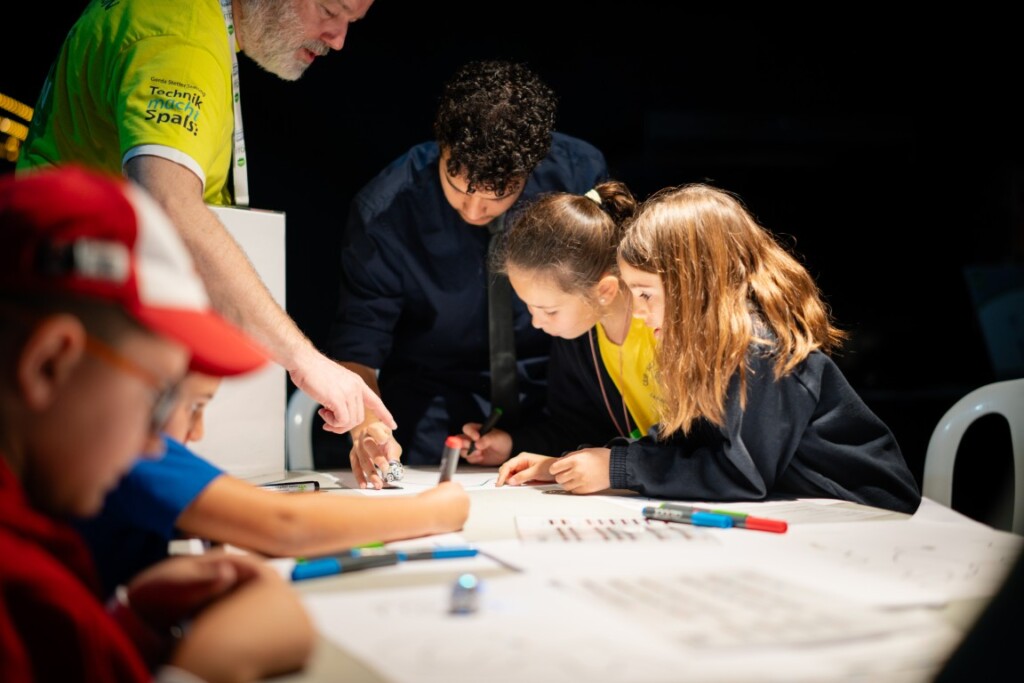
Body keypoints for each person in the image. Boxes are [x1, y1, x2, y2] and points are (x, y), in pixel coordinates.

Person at [16, 0, 393, 436]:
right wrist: (304, 359)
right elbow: (168, 204)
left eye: (351, 21)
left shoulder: (176, 16)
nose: (339, 39)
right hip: (77, 352)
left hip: (61, 330)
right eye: (330, 10)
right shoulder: (184, 39)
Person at [0, 165, 313, 682]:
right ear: (49, 364)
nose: (153, 446)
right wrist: (210, 666)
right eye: (159, 395)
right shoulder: (19, 588)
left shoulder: (40, 555)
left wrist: (124, 625)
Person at [497, 182, 922, 514]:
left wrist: (618, 469)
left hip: (864, 518)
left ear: (694, 284)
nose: (640, 312)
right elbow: (688, 439)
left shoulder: (760, 349)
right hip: (807, 514)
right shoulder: (708, 347)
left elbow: (742, 475)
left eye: (645, 294)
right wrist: (584, 463)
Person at [328, 59, 608, 483]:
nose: (475, 210)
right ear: (442, 148)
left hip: (560, 405)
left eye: (499, 195)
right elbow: (358, 345)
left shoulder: (577, 175)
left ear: (530, 168)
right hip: (433, 413)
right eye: (458, 188)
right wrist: (368, 427)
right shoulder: (387, 210)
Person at [76, 370, 471, 598]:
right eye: (193, 407)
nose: (198, 433)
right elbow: (286, 523)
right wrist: (432, 511)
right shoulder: (134, 455)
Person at [458, 180, 659, 466]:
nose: (536, 323)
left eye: (549, 311)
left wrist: (616, 466)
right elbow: (579, 429)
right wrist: (512, 445)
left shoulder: (663, 327)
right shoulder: (580, 335)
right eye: (529, 307)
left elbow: (706, 449)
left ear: (604, 290)